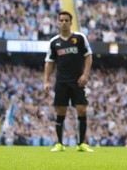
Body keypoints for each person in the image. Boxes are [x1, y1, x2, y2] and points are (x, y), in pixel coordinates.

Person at [43, 10, 94, 152]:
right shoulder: (54, 42)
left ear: (71, 23)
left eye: (67, 20)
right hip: (62, 82)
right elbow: (49, 62)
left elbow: (88, 56)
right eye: (62, 20)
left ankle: (81, 144)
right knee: (60, 111)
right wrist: (46, 81)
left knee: (82, 110)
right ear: (58, 23)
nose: (64, 22)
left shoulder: (80, 38)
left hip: (78, 81)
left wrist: (85, 74)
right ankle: (59, 143)